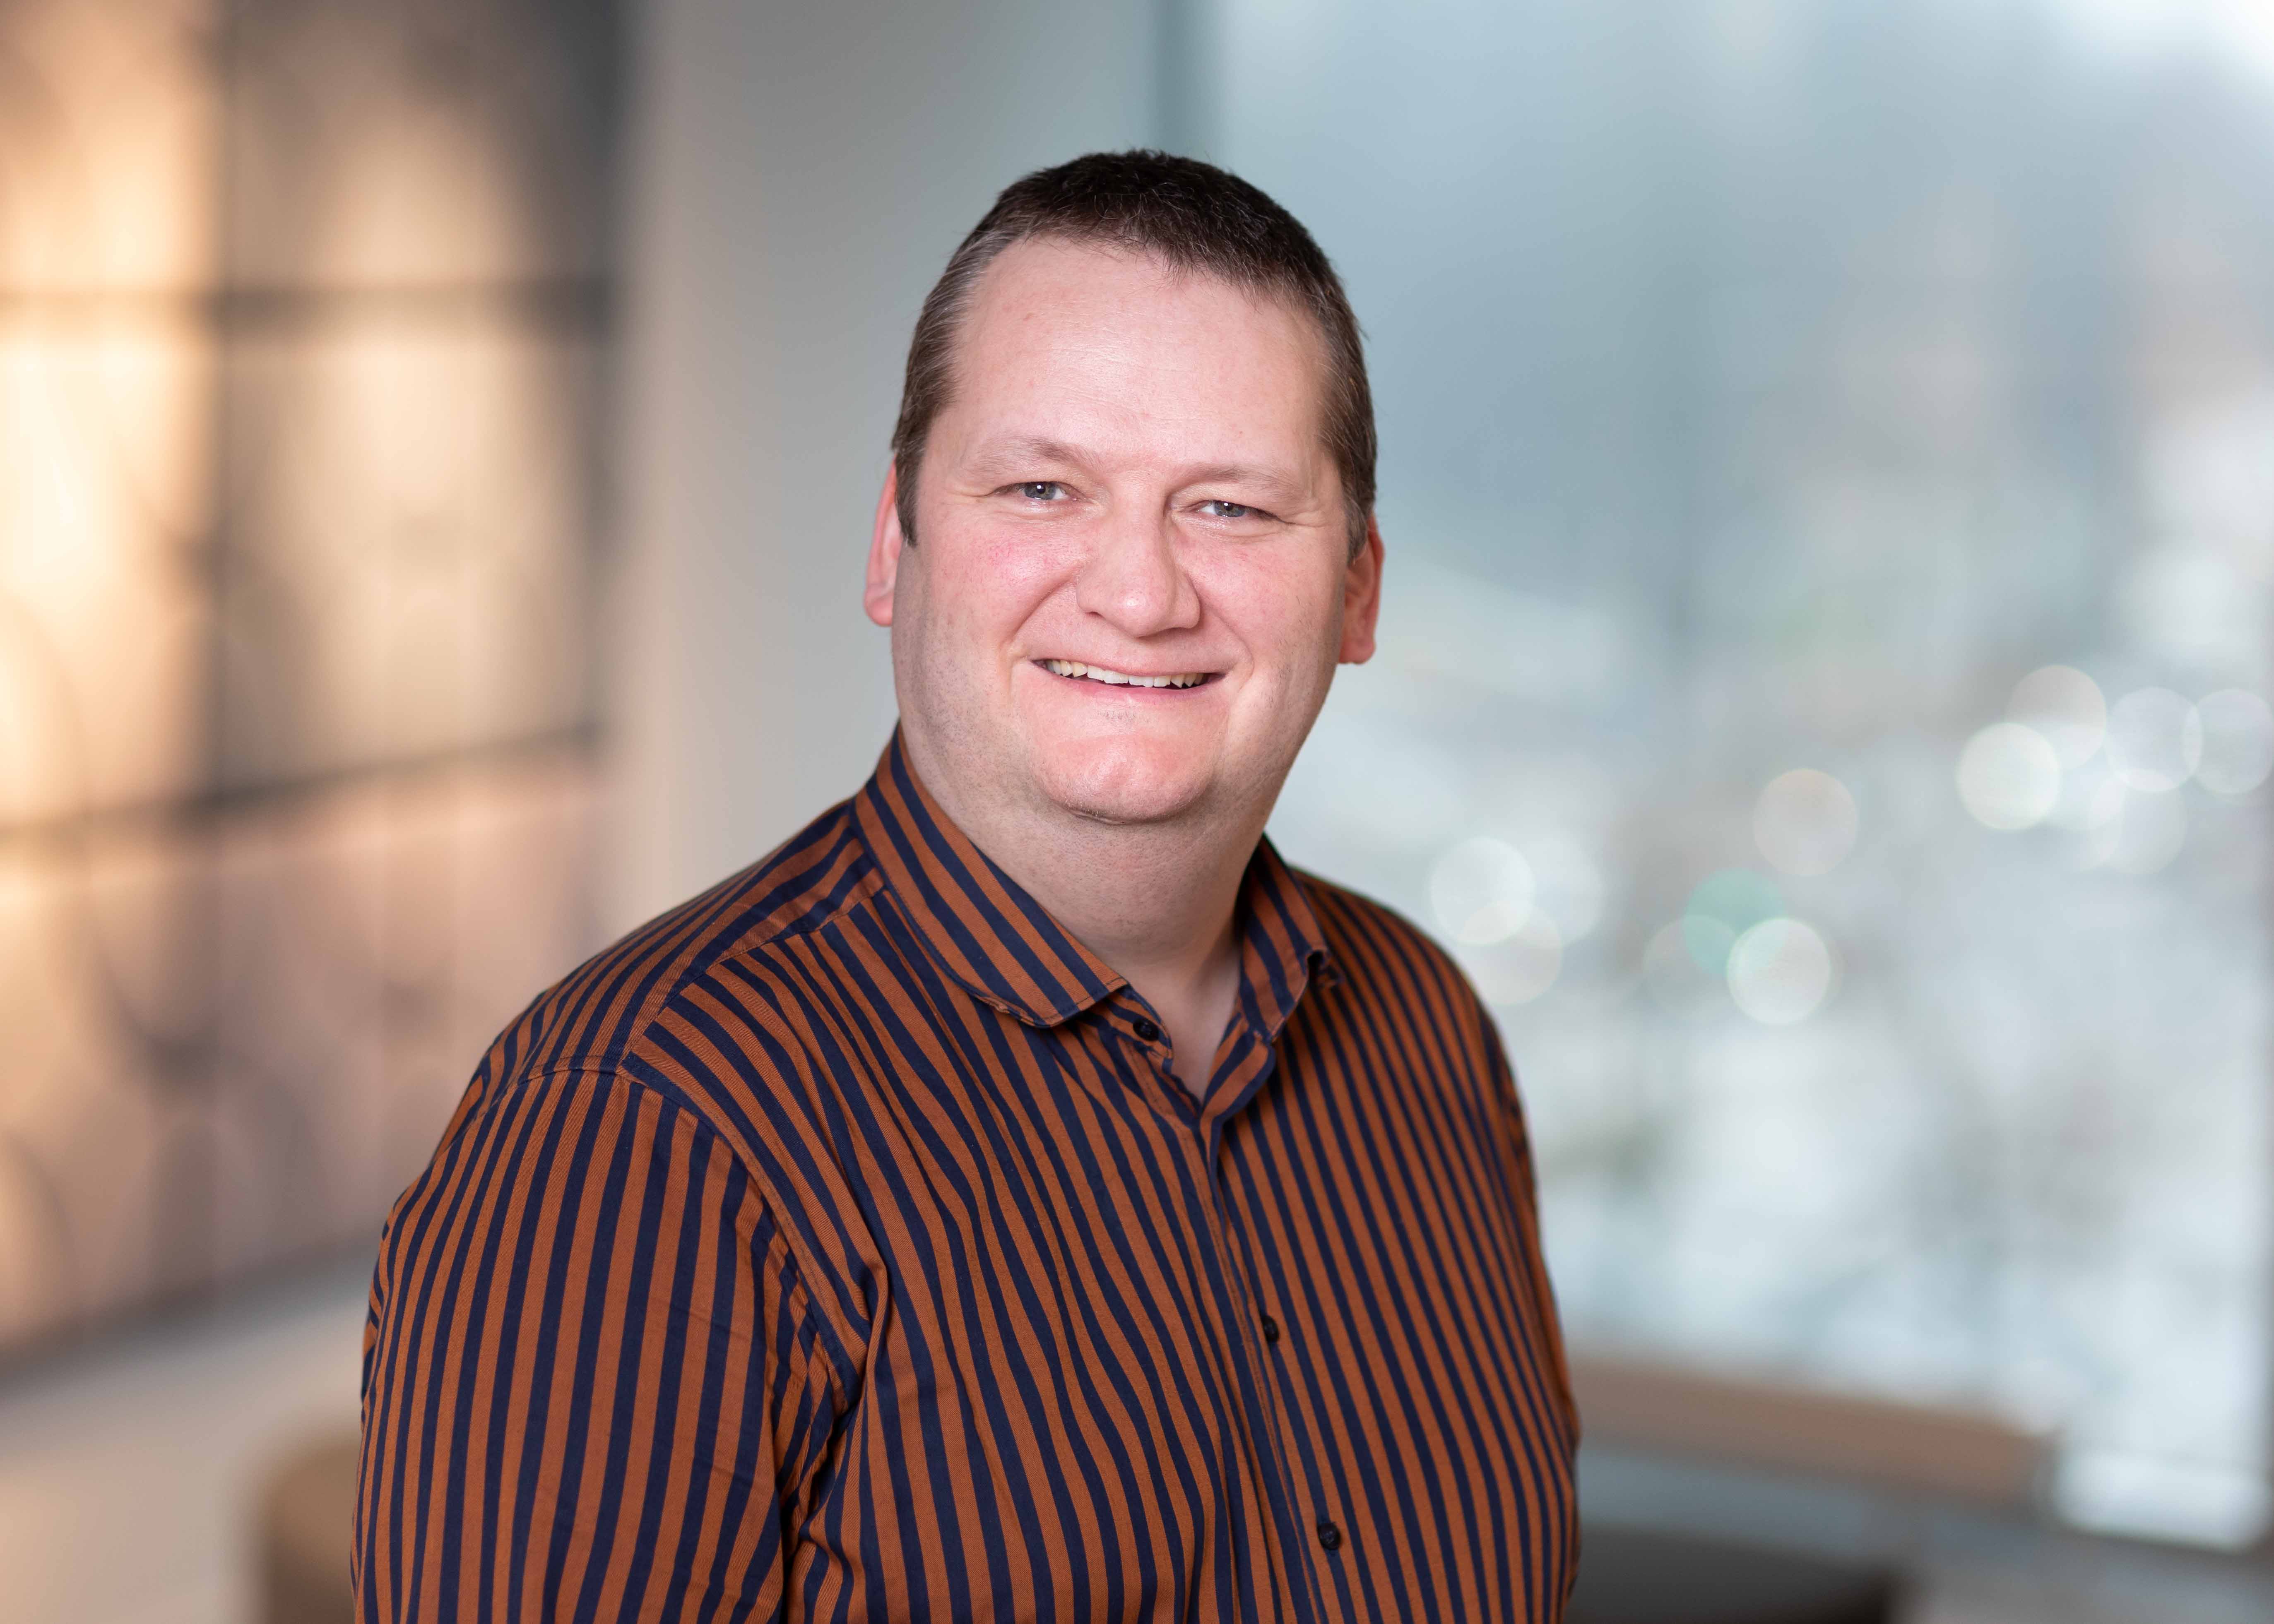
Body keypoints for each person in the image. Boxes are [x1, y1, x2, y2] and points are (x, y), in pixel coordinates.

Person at [354, 151, 1576, 1623]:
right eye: (1043, 488)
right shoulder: (641, 1134)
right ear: (896, 545)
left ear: (1360, 589)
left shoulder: (1429, 1032)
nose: (1141, 593)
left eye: (1233, 509)